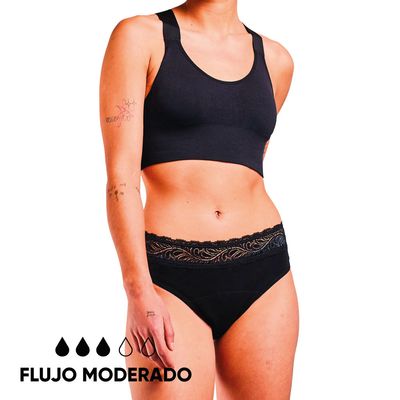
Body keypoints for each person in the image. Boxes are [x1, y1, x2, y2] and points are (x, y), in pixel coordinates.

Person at [100, 1, 299, 398]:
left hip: (264, 270)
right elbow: (121, 179)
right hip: (170, 276)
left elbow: (247, 166)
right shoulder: (140, 37)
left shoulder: (277, 60)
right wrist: (138, 291)